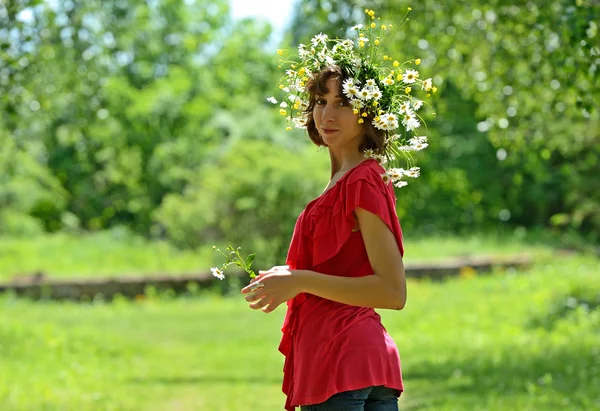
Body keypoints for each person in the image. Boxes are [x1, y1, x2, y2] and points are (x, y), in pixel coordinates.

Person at [241, 9, 435, 411]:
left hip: (342, 364)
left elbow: (392, 291)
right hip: (352, 363)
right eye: (320, 101)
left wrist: (300, 281)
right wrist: (290, 277)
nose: (327, 114)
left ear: (370, 115)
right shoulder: (342, 182)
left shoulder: (363, 180)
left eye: (344, 103)